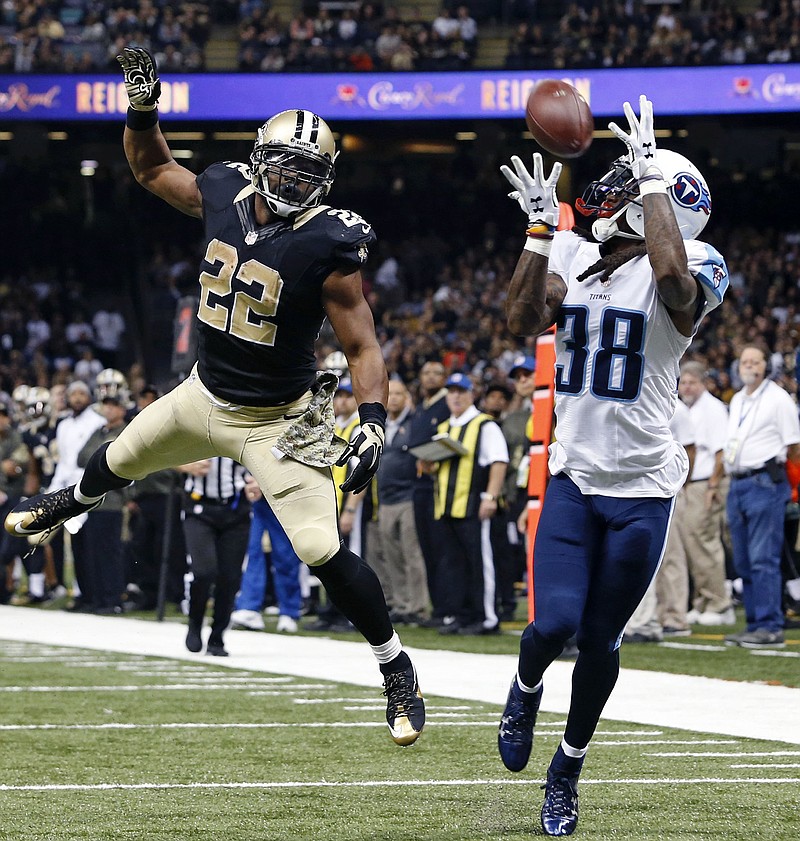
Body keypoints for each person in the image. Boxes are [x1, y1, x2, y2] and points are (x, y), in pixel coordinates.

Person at [5, 47, 424, 747]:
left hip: (281, 419)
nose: (294, 180)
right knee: (122, 452)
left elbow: (363, 348)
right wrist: (143, 107)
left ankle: (396, 667)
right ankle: (64, 506)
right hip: (205, 391)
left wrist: (374, 419)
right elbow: (148, 167)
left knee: (321, 547)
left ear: (326, 181)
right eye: (286, 166)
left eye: (309, 172)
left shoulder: (329, 242)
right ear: (259, 159)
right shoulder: (224, 190)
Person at [496, 95, 728, 836]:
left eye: (631, 184)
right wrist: (538, 233)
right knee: (551, 623)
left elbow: (670, 282)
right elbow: (519, 320)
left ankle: (567, 768)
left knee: (599, 641)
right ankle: (526, 684)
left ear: (662, 204)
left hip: (643, 495)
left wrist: (653, 173)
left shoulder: (694, 264)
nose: (614, 189)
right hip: (576, 480)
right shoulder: (576, 254)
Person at [723, 344, 800, 650]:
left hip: (765, 482)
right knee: (743, 559)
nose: (749, 366)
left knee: (763, 558)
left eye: (756, 361)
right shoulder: (739, 399)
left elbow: (793, 445)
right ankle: (755, 623)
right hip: (738, 483)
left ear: (766, 366)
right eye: (745, 361)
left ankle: (769, 625)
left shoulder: (778, 398)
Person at [421, 371, 508, 635]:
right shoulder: (444, 428)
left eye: (461, 391)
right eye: (452, 391)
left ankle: (487, 617)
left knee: (479, 562)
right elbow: (440, 468)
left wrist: (491, 496)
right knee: (454, 564)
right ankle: (461, 614)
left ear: (472, 394)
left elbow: (499, 461)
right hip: (446, 505)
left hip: (473, 504)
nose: (456, 396)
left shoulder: (485, 425)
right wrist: (427, 466)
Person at [673, 360, 733, 627]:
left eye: (691, 382)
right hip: (690, 484)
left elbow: (721, 451)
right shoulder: (689, 409)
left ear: (703, 383)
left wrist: (712, 485)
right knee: (691, 544)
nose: (686, 387)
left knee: (705, 542)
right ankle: (702, 601)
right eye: (683, 382)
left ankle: (719, 604)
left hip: (705, 483)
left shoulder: (713, 408)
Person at [181, 457, 251, 656]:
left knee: (230, 578)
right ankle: (195, 621)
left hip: (236, 510)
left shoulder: (246, 426)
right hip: (199, 509)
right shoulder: (193, 427)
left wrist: (257, 482)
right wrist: (185, 465)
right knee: (204, 572)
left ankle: (217, 636)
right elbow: (161, 452)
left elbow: (262, 458)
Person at [376, 377, 429, 625]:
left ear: (407, 397)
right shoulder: (381, 424)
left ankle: (418, 606)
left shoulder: (416, 424)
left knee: (412, 554)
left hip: (409, 496)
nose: (394, 398)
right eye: (391, 394)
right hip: (385, 498)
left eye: (398, 394)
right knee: (391, 555)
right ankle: (400, 602)